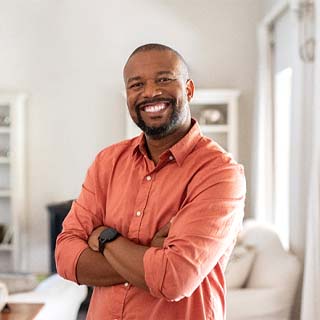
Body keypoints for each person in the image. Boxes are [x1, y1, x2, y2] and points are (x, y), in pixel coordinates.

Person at [55, 43, 246, 320]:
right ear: (127, 96)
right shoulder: (107, 162)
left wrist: (106, 239)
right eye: (136, 85)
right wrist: (150, 255)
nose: (150, 92)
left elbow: (174, 278)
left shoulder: (219, 173)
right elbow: (65, 257)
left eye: (164, 79)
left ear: (189, 90)